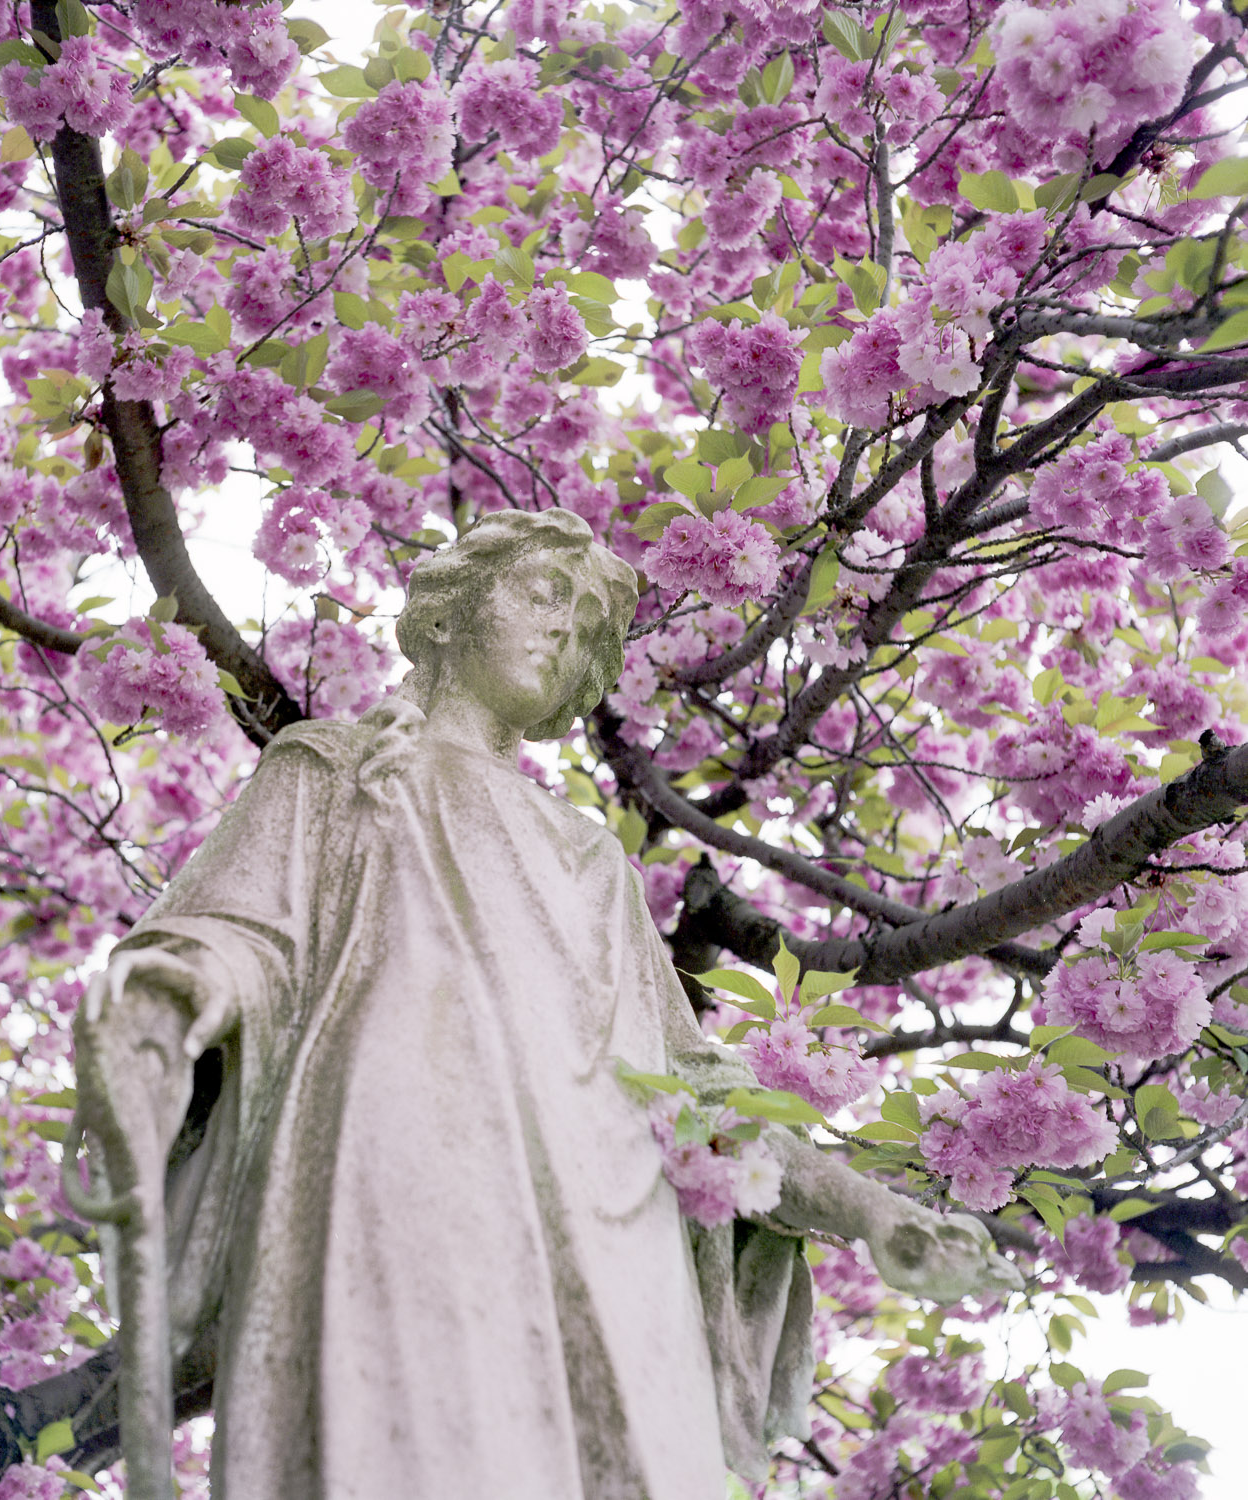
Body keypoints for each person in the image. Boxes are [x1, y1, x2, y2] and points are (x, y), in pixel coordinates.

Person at [68, 508, 1020, 1500]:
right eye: (541, 593)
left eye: (588, 625)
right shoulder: (333, 767)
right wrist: (168, 1007)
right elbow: (241, 938)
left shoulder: (592, 861)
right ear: (444, 617)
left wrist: (871, 1212)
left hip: (614, 1220)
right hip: (408, 1160)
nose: (564, 629)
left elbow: (693, 1090)